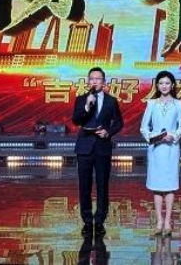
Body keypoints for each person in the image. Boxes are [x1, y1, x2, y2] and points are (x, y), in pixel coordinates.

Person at [72, 67, 124, 239]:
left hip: (102, 147)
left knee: (102, 185)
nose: (95, 81)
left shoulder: (111, 101)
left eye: (98, 78)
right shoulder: (81, 99)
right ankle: (87, 222)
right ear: (88, 81)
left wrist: (108, 132)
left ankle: (100, 221)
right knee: (84, 186)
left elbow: (119, 122)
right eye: (92, 78)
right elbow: (76, 120)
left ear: (104, 82)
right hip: (84, 147)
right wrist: (87, 106)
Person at [140, 70, 181, 236]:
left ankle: (168, 222)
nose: (164, 86)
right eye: (161, 83)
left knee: (170, 186)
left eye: (167, 83)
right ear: (157, 85)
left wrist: (172, 136)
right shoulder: (151, 104)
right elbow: (143, 127)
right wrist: (154, 137)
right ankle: (159, 221)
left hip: (171, 149)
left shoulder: (179, 104)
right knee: (157, 186)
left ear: (172, 85)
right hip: (156, 149)